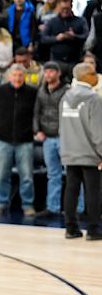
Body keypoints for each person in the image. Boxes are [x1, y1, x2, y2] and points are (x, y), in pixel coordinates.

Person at [0, 64, 38, 217]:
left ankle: (28, 205)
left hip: (25, 140)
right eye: (14, 75)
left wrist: (33, 129)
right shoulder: (0, 91)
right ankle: (2, 203)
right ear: (9, 77)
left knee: (27, 175)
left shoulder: (32, 92)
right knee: (3, 174)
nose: (17, 78)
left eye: (20, 76)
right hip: (3, 139)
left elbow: (37, 112)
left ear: (24, 77)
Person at [59, 62, 102, 240]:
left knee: (71, 190)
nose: (96, 76)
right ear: (84, 77)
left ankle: (70, 228)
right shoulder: (93, 99)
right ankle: (93, 230)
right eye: (93, 73)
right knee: (93, 192)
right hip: (90, 153)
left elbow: (62, 127)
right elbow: (98, 131)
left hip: (69, 151)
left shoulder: (65, 97)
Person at [34, 61, 69, 218]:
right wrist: (37, 130)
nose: (48, 74)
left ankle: (77, 208)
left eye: (51, 72)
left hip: (65, 138)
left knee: (73, 174)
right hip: (48, 137)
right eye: (46, 71)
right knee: (52, 174)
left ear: (58, 73)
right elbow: (36, 112)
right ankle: (52, 207)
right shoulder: (41, 90)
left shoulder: (67, 90)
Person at [42, 0, 88, 66]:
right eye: (63, 8)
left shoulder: (81, 21)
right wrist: (56, 38)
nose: (65, 11)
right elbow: (44, 38)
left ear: (71, 7)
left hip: (75, 60)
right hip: (56, 60)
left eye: (67, 9)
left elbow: (86, 36)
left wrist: (74, 36)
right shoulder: (51, 22)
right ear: (58, 7)